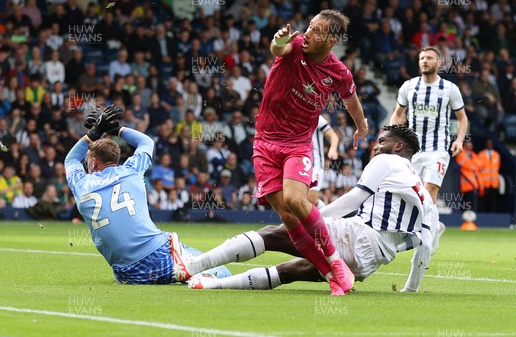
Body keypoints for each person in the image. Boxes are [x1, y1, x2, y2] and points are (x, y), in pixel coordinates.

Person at [186, 125, 434, 293]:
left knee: (275, 233)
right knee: (292, 270)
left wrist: (310, 217)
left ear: (399, 147)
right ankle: (209, 286)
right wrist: (410, 288)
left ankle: (192, 267)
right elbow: (423, 244)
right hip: (371, 262)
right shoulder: (423, 192)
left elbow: (354, 199)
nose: (376, 147)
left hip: (359, 237)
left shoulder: (386, 160)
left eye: (382, 141)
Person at [241, 9, 368, 295]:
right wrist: (277, 41)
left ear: (332, 40)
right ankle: (332, 274)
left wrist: (361, 126)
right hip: (263, 142)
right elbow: (278, 48)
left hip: (298, 144)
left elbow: (351, 100)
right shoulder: (295, 45)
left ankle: (335, 263)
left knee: (296, 201)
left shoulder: (338, 72)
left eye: (318, 30)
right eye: (310, 26)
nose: (309, 33)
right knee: (288, 217)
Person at [65, 106, 230, 284]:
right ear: (116, 159)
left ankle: (185, 269)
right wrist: (117, 129)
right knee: (223, 271)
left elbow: (71, 159)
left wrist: (94, 132)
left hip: (126, 273)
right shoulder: (132, 170)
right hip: (158, 256)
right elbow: (146, 142)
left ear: (94, 161)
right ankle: (191, 270)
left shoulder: (81, 185)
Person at [390, 45, 469, 253]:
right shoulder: (409, 86)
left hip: (438, 149)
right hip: (413, 150)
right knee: (412, 192)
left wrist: (459, 140)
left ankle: (428, 235)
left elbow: (462, 118)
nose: (425, 61)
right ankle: (435, 226)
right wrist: (392, 137)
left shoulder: (449, 89)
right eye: (422, 58)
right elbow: (398, 114)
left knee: (429, 189)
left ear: (438, 63)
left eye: (430, 58)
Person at [308, 116, 339, 208]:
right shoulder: (293, 116)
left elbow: (333, 136)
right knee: (296, 198)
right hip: (298, 163)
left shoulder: (316, 117)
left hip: (315, 164)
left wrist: (333, 149)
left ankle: (327, 216)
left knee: (311, 199)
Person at [477, 139, 500, 212]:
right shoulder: (481, 154)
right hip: (484, 183)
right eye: (488, 143)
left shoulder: (496, 155)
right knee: (483, 201)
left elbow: (498, 167)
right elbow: (478, 168)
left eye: (490, 144)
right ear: (485, 145)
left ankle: (492, 216)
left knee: (493, 201)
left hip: (494, 183)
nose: (489, 145)